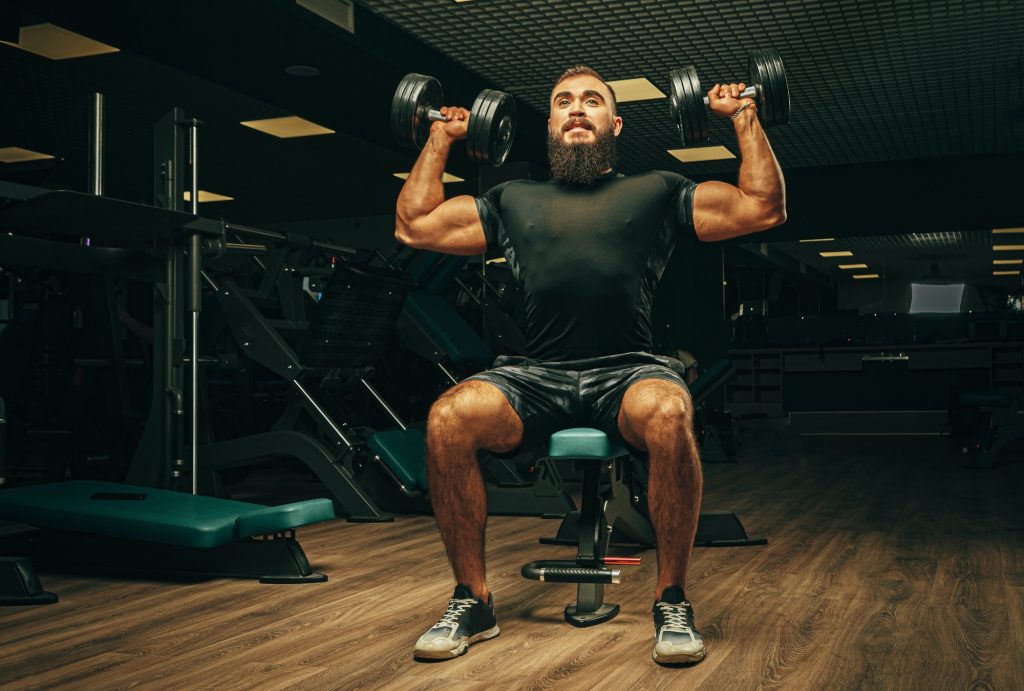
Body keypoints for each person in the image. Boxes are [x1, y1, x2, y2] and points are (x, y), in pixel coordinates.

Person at [394, 64, 785, 665]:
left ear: (616, 122)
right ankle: (472, 599)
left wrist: (744, 118)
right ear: (548, 123)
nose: (577, 109)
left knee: (669, 409)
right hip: (537, 375)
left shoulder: (657, 189)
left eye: (592, 101)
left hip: (628, 370)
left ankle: (672, 599)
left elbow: (762, 208)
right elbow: (415, 225)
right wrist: (439, 139)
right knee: (449, 418)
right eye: (563, 102)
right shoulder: (510, 199)